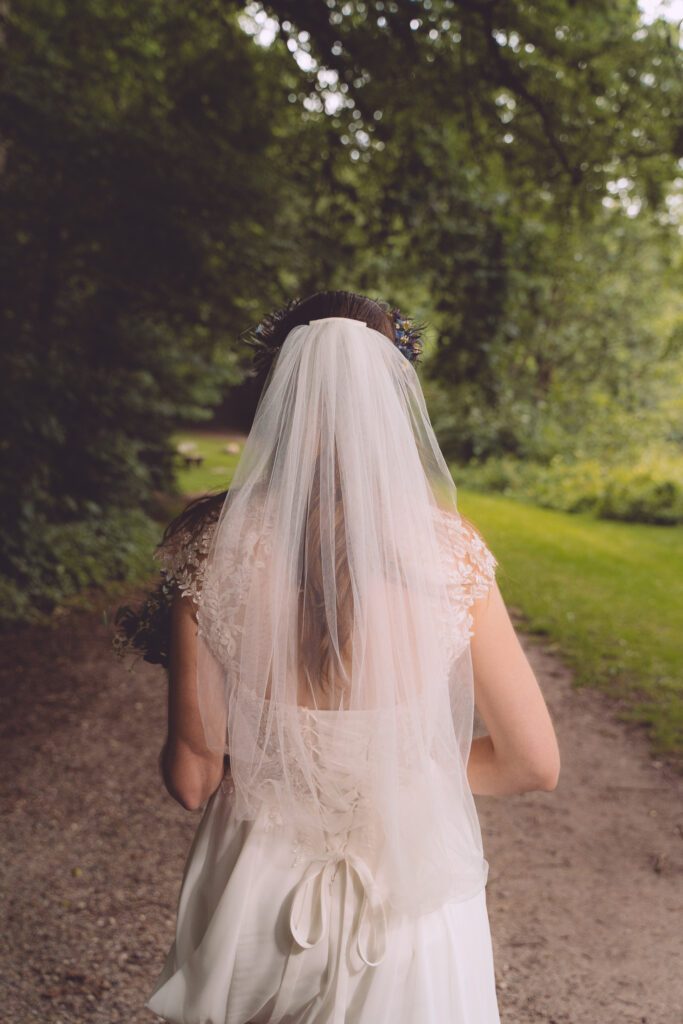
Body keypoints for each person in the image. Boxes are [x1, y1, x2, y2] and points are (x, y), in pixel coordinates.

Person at [142, 290, 560, 1024]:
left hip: (254, 896)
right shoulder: (447, 549)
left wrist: (276, 755)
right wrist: (393, 768)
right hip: (407, 894)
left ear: (276, 396)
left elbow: (191, 779)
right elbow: (532, 762)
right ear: (393, 398)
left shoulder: (211, 547)